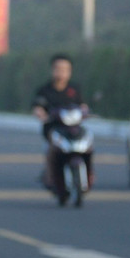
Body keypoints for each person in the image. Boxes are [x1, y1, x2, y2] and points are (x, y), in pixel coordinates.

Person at [31, 53, 87, 201]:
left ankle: (89, 174)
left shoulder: (74, 89)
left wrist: (85, 111)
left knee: (88, 144)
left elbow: (82, 106)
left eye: (65, 69)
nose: (61, 72)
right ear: (52, 70)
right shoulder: (44, 90)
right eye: (58, 69)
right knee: (51, 149)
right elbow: (38, 107)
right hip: (53, 129)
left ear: (70, 71)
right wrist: (40, 113)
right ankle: (51, 177)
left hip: (72, 129)